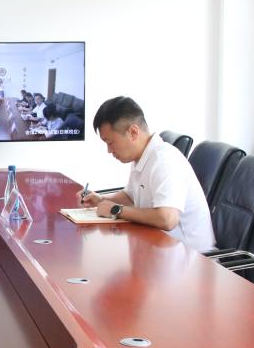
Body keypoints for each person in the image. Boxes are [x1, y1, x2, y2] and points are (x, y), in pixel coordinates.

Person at [79, 96, 214, 251]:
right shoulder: (141, 156)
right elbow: (131, 197)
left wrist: (116, 210)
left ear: (133, 132)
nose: (109, 151)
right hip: (160, 248)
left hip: (192, 257)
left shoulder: (164, 160)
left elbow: (167, 219)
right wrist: (101, 200)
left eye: (110, 142)